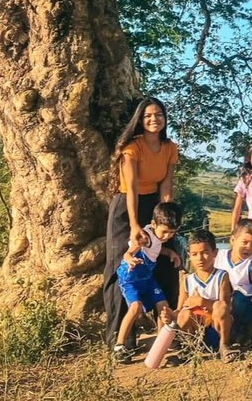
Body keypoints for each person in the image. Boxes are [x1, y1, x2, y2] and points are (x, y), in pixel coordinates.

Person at [103, 97, 179, 348]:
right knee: (123, 268)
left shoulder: (169, 148)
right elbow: (132, 188)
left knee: (165, 261)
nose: (153, 119)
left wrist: (166, 216)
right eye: (147, 116)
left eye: (158, 114)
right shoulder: (132, 148)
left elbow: (166, 186)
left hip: (155, 207)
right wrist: (135, 226)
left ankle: (168, 332)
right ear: (140, 119)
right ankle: (120, 339)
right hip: (127, 208)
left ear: (165, 118)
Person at [112, 202, 183, 363]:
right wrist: (130, 260)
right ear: (153, 224)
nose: (166, 237)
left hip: (147, 278)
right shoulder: (144, 237)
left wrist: (170, 252)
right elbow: (128, 253)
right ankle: (119, 345)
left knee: (163, 306)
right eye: (164, 232)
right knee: (135, 308)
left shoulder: (157, 237)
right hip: (131, 279)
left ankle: (162, 343)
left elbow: (156, 249)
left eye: (171, 233)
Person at [162, 229, 239, 363]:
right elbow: (180, 309)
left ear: (215, 253)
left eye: (205, 252)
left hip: (217, 331)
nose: (200, 258)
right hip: (197, 333)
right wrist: (170, 315)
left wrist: (201, 301)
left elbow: (226, 307)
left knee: (220, 306)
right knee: (184, 314)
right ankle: (189, 349)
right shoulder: (187, 280)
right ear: (189, 256)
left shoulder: (221, 276)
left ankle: (225, 347)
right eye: (195, 254)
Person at [214, 219, 252, 346]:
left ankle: (239, 333)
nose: (249, 247)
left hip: (240, 308)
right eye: (245, 242)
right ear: (232, 240)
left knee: (237, 297)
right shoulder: (219, 256)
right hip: (219, 303)